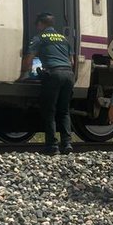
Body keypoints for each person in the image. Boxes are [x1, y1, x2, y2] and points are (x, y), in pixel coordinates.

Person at [22, 13, 75, 155]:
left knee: (49, 111)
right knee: (64, 111)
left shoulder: (39, 38)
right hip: (69, 75)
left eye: (37, 24)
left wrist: (24, 75)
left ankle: (52, 146)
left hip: (53, 75)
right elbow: (72, 61)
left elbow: (29, 58)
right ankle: (67, 144)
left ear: (41, 24)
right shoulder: (64, 39)